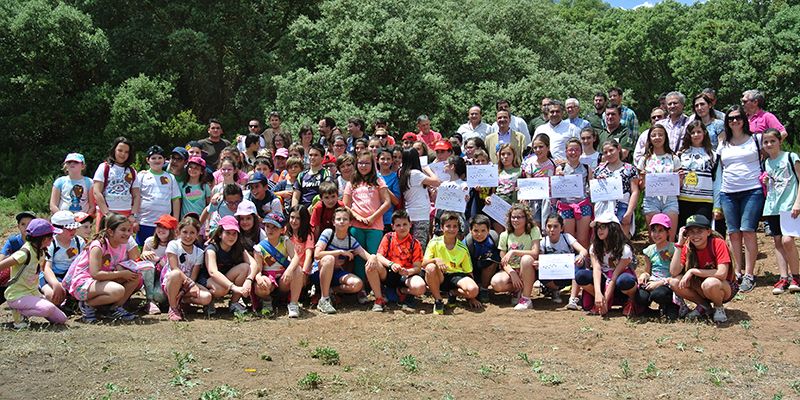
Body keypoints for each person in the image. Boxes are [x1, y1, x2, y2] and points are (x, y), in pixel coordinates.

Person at [716, 106, 763, 292]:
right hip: (728, 192)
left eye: (738, 118)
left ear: (744, 119)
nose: (734, 121)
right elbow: (719, 170)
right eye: (730, 119)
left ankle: (750, 274)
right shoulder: (723, 143)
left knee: (748, 230)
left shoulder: (756, 139)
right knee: (733, 232)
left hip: (752, 190)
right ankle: (738, 272)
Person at [63, 213, 141, 322]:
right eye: (123, 230)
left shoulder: (122, 245)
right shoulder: (98, 245)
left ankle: (113, 309)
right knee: (118, 290)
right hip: (83, 283)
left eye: (129, 230)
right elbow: (95, 274)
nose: (127, 234)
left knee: (135, 277)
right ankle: (87, 305)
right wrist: (122, 274)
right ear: (110, 231)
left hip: (101, 281)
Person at [0, 219, 67, 328]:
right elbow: (3, 264)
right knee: (48, 309)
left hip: (33, 292)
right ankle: (19, 312)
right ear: (44, 239)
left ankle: (25, 310)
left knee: (61, 319)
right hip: (17, 294)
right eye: (51, 237)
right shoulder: (24, 253)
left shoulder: (41, 250)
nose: (52, 240)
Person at [669, 215, 737, 323]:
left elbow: (722, 274)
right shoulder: (688, 246)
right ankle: (704, 306)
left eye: (699, 231)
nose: (695, 235)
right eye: (691, 232)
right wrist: (679, 244)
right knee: (674, 282)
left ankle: (718, 307)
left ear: (708, 232)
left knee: (710, 283)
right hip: (700, 285)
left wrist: (693, 271)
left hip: (723, 286)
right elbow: (673, 272)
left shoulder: (717, 243)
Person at [575, 213, 638, 316]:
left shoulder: (625, 249)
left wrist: (606, 299)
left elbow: (615, 275)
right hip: (603, 278)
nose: (599, 230)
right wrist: (598, 293)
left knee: (625, 281)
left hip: (618, 279)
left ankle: (631, 300)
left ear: (613, 228)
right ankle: (599, 300)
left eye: (603, 227)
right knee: (580, 276)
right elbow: (597, 269)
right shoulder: (594, 247)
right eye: (598, 227)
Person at [761, 128, 800, 294]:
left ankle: (796, 276)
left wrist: (797, 203)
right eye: (766, 142)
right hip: (772, 207)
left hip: (789, 206)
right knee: (777, 241)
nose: (769, 144)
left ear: (780, 141)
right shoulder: (766, 163)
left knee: (787, 241)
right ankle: (783, 277)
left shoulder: (791, 157)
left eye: (772, 141)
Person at [312, 207, 372, 314]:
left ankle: (331, 291)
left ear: (350, 223)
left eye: (345, 219)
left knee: (357, 284)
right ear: (333, 222)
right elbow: (317, 255)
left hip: (336, 274)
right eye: (338, 219)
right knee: (329, 259)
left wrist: (374, 259)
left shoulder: (350, 240)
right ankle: (324, 299)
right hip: (319, 272)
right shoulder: (328, 233)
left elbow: (364, 254)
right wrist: (339, 252)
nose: (342, 222)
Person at [343, 150, 391, 283]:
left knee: (375, 256)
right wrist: (357, 217)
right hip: (356, 226)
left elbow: (387, 202)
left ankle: (376, 286)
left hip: (375, 226)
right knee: (358, 257)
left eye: (367, 163)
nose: (363, 166)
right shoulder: (351, 182)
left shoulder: (378, 181)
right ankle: (362, 287)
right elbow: (345, 205)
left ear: (372, 164)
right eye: (360, 163)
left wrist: (372, 218)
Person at [366, 210, 426, 311]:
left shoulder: (415, 243)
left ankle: (402, 291)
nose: (402, 228)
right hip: (389, 272)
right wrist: (391, 264)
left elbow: (417, 267)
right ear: (393, 226)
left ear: (410, 225)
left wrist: (408, 271)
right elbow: (379, 256)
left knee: (420, 287)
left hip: (406, 276)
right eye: (398, 225)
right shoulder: (388, 237)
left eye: (405, 224)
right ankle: (379, 300)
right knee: (371, 264)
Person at [423, 211, 481, 314]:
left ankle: (452, 293)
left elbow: (469, 272)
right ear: (442, 227)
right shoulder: (434, 243)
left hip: (456, 277)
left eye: (455, 226)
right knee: (430, 267)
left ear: (458, 228)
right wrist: (435, 260)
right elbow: (423, 263)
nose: (451, 229)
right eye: (448, 226)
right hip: (439, 276)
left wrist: (471, 297)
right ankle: (438, 300)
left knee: (473, 290)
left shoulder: (463, 248)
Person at [252, 212, 305, 318]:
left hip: (283, 278)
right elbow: (258, 270)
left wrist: (289, 270)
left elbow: (295, 257)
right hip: (268, 278)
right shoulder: (259, 248)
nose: (270, 230)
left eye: (274, 227)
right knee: (261, 285)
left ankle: (293, 304)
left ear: (282, 230)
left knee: (297, 269)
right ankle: (266, 300)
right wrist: (259, 278)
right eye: (267, 226)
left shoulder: (285, 241)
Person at [201, 216, 258, 314]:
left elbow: (253, 263)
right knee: (222, 289)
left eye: (234, 233)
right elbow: (212, 272)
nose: (231, 237)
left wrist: (249, 280)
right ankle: (209, 302)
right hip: (208, 279)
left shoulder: (237, 247)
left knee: (245, 267)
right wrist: (233, 287)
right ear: (219, 234)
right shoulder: (212, 249)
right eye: (228, 233)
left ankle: (234, 303)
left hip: (224, 277)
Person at [489, 204, 541, 311]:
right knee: (496, 283)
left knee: (526, 259)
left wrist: (514, 252)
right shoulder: (505, 235)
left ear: (526, 218)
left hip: (527, 269)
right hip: (511, 270)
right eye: (513, 217)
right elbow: (503, 261)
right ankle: (517, 290)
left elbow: (535, 253)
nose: (516, 220)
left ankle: (526, 298)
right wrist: (512, 273)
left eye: (520, 217)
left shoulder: (533, 230)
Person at [162, 215, 212, 321]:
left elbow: (193, 276)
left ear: (197, 234)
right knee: (176, 274)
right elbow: (174, 268)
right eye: (185, 232)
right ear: (178, 232)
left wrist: (185, 289)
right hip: (172, 282)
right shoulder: (173, 245)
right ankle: (173, 307)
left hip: (186, 285)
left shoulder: (199, 252)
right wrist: (191, 284)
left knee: (207, 297)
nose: (188, 236)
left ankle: (181, 300)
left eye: (192, 233)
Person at [637, 124, 680, 240]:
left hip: (670, 199)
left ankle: (671, 258)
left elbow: (678, 186)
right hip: (651, 199)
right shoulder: (644, 159)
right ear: (649, 138)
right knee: (654, 238)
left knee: (670, 237)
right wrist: (644, 179)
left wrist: (680, 179)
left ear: (665, 137)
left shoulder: (674, 158)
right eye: (654, 135)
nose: (657, 137)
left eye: (660, 135)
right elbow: (640, 187)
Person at [537, 214, 588, 306]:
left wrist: (580, 256)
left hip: (568, 275)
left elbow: (583, 250)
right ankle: (554, 290)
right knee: (536, 267)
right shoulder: (542, 242)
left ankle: (572, 298)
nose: (552, 229)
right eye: (549, 226)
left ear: (561, 228)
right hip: (551, 276)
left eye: (555, 226)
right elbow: (539, 259)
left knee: (580, 261)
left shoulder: (567, 237)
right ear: (545, 228)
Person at [593, 140, 640, 237]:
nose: (608, 154)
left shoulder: (629, 169)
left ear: (618, 149)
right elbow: (594, 192)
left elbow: (635, 191)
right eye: (605, 152)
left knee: (621, 241)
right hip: (603, 208)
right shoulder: (599, 170)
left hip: (622, 206)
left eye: (611, 150)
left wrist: (629, 212)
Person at [635, 214, 678, 319]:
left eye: (660, 230)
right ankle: (646, 308)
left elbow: (676, 272)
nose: (656, 234)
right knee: (640, 296)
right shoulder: (649, 250)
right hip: (653, 280)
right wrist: (644, 276)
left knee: (659, 294)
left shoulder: (674, 249)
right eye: (654, 230)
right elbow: (647, 271)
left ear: (668, 232)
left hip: (667, 282)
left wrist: (660, 283)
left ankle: (669, 305)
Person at [136, 145, 181, 246]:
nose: (157, 160)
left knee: (162, 249)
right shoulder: (141, 176)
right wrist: (135, 218)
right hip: (144, 222)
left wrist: (175, 221)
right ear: (148, 160)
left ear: (165, 160)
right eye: (153, 158)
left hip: (164, 223)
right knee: (142, 249)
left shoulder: (170, 177)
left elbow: (176, 200)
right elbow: (136, 197)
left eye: (160, 158)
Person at [92, 137, 141, 230]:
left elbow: (137, 195)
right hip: (106, 213)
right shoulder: (104, 167)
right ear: (114, 150)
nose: (123, 154)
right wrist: (107, 214)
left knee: (123, 242)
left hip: (126, 213)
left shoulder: (132, 171)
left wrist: (133, 215)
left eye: (126, 152)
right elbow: (97, 192)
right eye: (120, 150)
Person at [399, 148, 441, 250]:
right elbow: (436, 181)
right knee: (419, 247)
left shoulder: (402, 172)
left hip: (411, 213)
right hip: (420, 215)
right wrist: (427, 169)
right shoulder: (415, 173)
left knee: (409, 246)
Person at [40, 211, 85, 308]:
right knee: (53, 296)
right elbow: (46, 268)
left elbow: (82, 264)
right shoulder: (51, 243)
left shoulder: (79, 242)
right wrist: (55, 283)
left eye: (74, 228)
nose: (73, 231)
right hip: (52, 276)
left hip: (71, 276)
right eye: (69, 229)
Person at [555, 138, 593, 248]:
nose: (573, 153)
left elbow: (591, 187)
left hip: (583, 205)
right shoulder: (560, 168)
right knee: (569, 238)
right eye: (570, 150)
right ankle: (571, 263)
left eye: (576, 150)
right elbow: (556, 189)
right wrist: (558, 178)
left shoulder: (587, 168)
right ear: (566, 151)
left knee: (583, 238)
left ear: (581, 152)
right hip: (566, 206)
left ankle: (584, 262)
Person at [677, 121, 716, 228]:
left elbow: (716, 180)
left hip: (704, 200)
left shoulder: (712, 154)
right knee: (684, 230)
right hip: (684, 199)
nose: (696, 135)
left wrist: (717, 205)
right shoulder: (681, 154)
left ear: (704, 133)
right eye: (692, 132)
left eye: (699, 132)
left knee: (701, 230)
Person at [140, 214, 177, 314]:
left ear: (171, 230)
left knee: (159, 295)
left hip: (165, 277)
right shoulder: (149, 241)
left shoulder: (175, 244)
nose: (161, 230)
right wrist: (144, 254)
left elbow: (174, 266)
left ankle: (163, 301)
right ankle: (150, 301)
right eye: (159, 226)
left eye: (165, 228)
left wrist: (158, 260)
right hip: (150, 276)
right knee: (148, 266)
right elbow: (142, 262)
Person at [521, 133, 557, 227]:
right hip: (535, 203)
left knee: (549, 228)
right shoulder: (531, 166)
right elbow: (529, 185)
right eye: (535, 147)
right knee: (536, 229)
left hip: (550, 203)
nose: (538, 150)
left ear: (548, 147)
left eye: (541, 147)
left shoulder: (554, 164)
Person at [463, 214, 500, 302]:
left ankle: (484, 289)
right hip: (471, 269)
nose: (479, 234)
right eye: (476, 230)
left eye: (483, 230)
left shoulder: (494, 239)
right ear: (470, 230)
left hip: (487, 268)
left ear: (488, 230)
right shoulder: (466, 243)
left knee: (493, 259)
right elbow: (464, 267)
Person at [292, 143, 331, 209]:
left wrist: (312, 208)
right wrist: (294, 210)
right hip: (302, 211)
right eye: (310, 155)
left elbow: (326, 193)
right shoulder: (301, 175)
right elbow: (295, 196)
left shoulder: (326, 173)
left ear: (322, 157)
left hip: (319, 209)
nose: (312, 157)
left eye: (316, 155)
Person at [377, 147, 402, 233]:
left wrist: (384, 187)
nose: (385, 161)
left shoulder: (395, 177)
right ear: (377, 160)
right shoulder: (372, 176)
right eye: (382, 159)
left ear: (392, 161)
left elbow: (396, 201)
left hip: (387, 219)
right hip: (374, 218)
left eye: (388, 159)